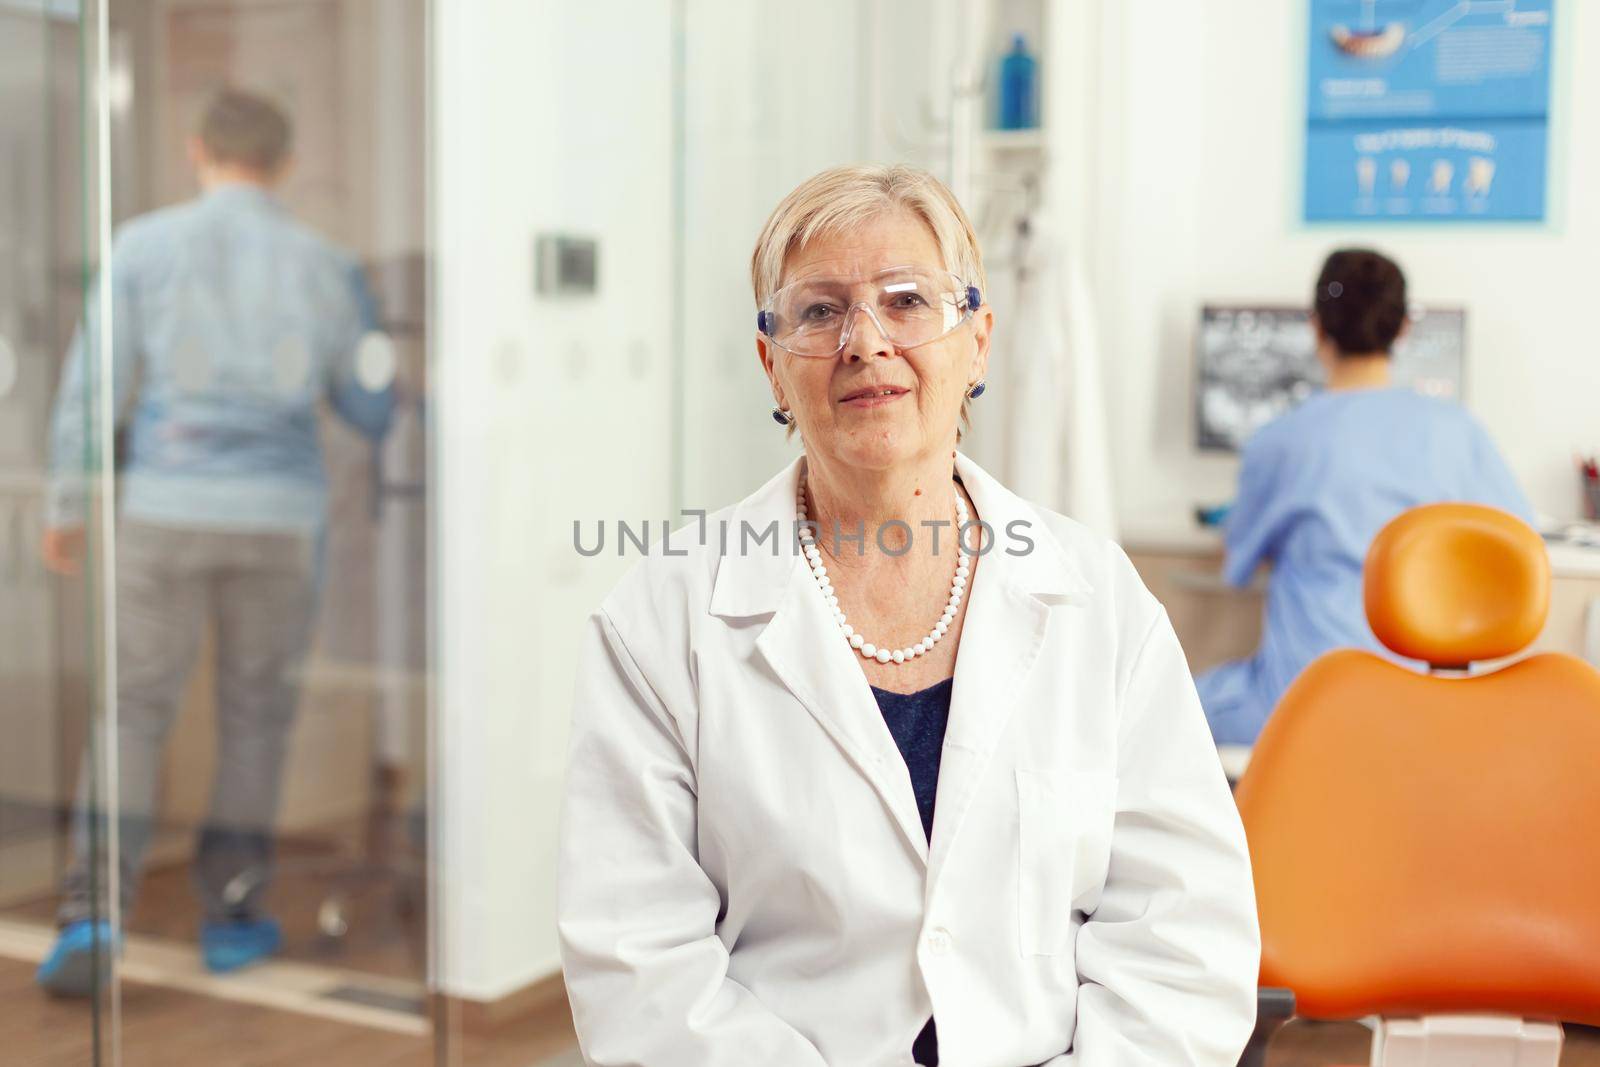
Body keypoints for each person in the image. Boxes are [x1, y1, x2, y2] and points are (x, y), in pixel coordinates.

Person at [557, 165, 1258, 1066]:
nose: (865, 340)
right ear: (772, 363)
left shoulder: (1100, 599)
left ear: (978, 343)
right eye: (819, 311)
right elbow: (638, 964)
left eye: (906, 300)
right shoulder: (661, 619)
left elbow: (1184, 933)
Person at [36, 88, 394, 994]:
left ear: (197, 149)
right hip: (279, 523)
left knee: (132, 710)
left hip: (166, 509)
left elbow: (93, 388)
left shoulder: (144, 246)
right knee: (254, 718)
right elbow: (368, 403)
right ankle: (233, 917)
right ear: (282, 161)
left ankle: (92, 912)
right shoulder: (327, 264)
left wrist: (64, 505)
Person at [1196, 248, 1533, 746]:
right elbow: (1518, 553)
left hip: (1301, 706)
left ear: (1316, 327)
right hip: (1426, 710)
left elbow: (1236, 564)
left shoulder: (1279, 441)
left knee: (1160, 706)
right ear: (1402, 329)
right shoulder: (1460, 432)